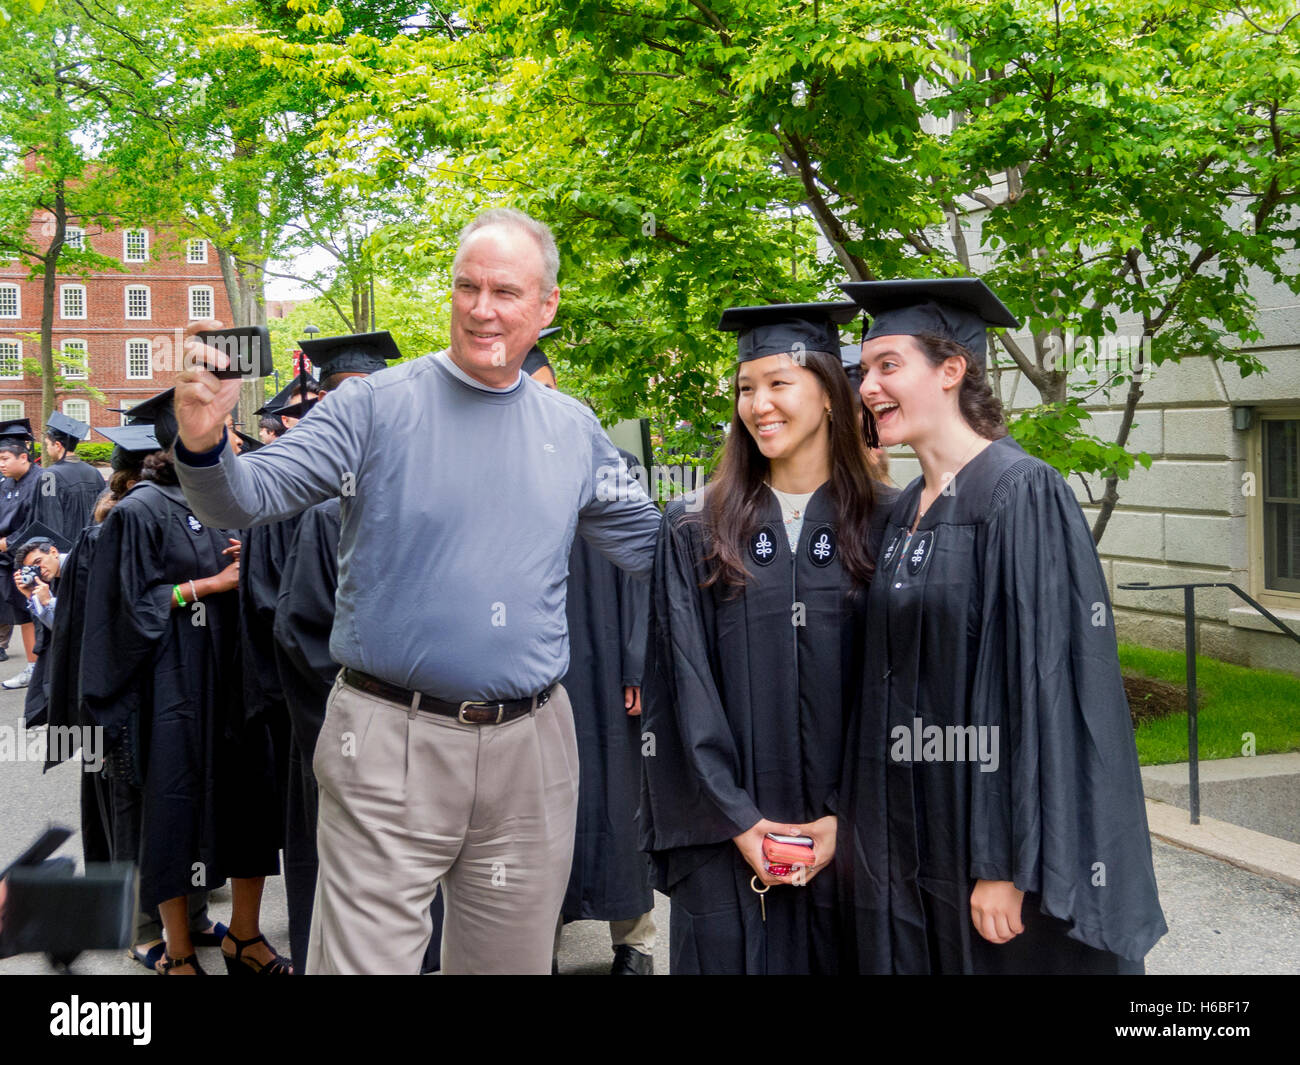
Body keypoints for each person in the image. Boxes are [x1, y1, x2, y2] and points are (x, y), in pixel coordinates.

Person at [171, 207, 661, 975]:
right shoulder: (373, 408)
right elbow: (247, 496)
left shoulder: (573, 429)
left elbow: (655, 548)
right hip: (388, 740)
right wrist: (202, 443)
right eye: (467, 286)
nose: (482, 307)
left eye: (505, 290)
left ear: (546, 306)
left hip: (531, 749)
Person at [837, 277, 1167, 974]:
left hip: (984, 844)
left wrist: (1006, 863)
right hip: (910, 835)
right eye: (865, 370)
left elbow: (1041, 689)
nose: (868, 386)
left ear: (952, 369)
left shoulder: (1020, 493)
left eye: (888, 365)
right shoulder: (901, 514)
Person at [639, 301, 888, 974]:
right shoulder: (696, 525)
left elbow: (901, 686)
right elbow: (680, 684)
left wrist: (845, 815)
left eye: (780, 383)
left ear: (832, 395)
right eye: (747, 387)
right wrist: (741, 821)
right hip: (727, 843)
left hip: (859, 837)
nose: (759, 404)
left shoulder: (888, 520)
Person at [79, 387, 287, 975]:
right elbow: (120, 609)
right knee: (170, 813)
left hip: (237, 677)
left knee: (249, 804)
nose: (230, 439)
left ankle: (244, 938)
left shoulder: (235, 501)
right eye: (213, 429)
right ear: (178, 441)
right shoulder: (139, 511)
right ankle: (177, 950)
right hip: (171, 688)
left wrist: (254, 567)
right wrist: (205, 586)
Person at [524, 336, 657, 976]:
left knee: (616, 796)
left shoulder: (610, 462)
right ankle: (535, 944)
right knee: (532, 809)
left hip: (606, 662)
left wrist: (639, 661)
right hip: (533, 667)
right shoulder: (497, 470)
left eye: (546, 390)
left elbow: (644, 571)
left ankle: (634, 941)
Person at [0, 421, 42, 689]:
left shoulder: (41, 481)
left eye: (4, 459)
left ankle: (43, 669)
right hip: (7, 560)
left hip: (32, 558)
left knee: (38, 612)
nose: (0, 464)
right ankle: (32, 668)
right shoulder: (5, 483)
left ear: (23, 457)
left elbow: (40, 523)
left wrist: (8, 543)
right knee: (22, 615)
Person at [33, 411, 105, 541]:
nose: (47, 449)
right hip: (91, 546)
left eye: (47, 444)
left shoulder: (49, 476)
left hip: (66, 553)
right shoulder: (94, 472)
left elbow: (50, 522)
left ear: (58, 445)